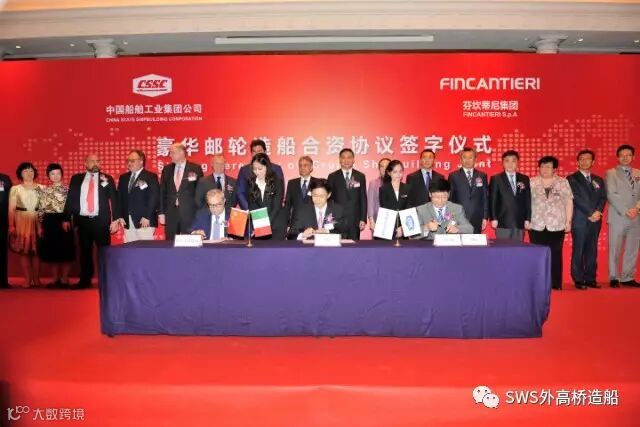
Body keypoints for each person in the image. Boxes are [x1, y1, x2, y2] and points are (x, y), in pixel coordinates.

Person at [63, 154, 120, 289]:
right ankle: (85, 280)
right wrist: (66, 218)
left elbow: (114, 199)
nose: (95, 163)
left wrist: (116, 220)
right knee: (84, 252)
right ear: (86, 164)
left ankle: (106, 281)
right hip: (83, 221)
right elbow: (70, 198)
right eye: (92, 161)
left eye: (97, 161)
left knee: (104, 253)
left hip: (101, 221)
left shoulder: (107, 178)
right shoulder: (76, 179)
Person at [528, 156, 574, 290]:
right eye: (542, 166)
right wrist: (527, 220)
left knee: (556, 254)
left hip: (557, 224)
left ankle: (555, 283)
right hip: (536, 224)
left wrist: (568, 221)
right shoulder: (531, 182)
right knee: (537, 255)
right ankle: (538, 283)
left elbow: (569, 202)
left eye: (548, 167)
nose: (544, 169)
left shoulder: (563, 182)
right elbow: (525, 203)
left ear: (554, 169)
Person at [567, 149, 606, 289]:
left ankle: (590, 278)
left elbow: (603, 197)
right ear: (577, 162)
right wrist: (590, 212)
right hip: (580, 219)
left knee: (592, 249)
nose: (584, 161)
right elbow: (575, 197)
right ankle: (578, 279)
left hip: (596, 219)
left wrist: (598, 212)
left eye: (587, 159)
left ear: (593, 162)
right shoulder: (571, 179)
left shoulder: (598, 179)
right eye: (581, 159)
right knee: (578, 249)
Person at [606, 144, 640, 288]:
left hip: (636, 216)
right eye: (622, 155)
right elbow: (611, 194)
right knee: (615, 248)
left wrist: (637, 208)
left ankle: (627, 277)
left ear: (633, 157)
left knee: (632, 248)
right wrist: (627, 210)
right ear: (618, 157)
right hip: (618, 215)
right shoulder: (611, 173)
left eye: (628, 155)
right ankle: (614, 277)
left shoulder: (638, 173)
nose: (625, 157)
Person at [36, 163, 75, 288]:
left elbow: (72, 208)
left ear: (62, 175)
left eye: (58, 173)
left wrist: (69, 220)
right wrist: (39, 226)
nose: (56, 176)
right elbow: (40, 210)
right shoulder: (44, 191)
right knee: (52, 250)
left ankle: (65, 279)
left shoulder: (68, 190)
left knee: (66, 250)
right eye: (52, 174)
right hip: (49, 222)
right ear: (48, 176)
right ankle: (55, 279)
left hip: (64, 221)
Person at [8, 162, 43, 288]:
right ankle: (27, 279)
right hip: (21, 221)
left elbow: (44, 208)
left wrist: (42, 225)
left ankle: (37, 279)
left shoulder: (42, 188)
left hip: (38, 221)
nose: (29, 173)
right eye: (25, 171)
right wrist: (11, 225)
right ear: (20, 174)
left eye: (31, 171)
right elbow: (11, 209)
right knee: (24, 252)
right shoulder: (15, 189)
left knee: (37, 251)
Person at [159, 143, 203, 240]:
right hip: (171, 212)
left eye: (172, 152)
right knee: (170, 242)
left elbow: (199, 191)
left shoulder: (195, 168)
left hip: (189, 212)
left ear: (181, 152)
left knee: (190, 242)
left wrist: (199, 212)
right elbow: (162, 191)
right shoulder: (167, 169)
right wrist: (161, 212)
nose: (170, 155)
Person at [116, 150, 159, 242]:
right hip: (127, 220)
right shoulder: (123, 177)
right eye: (128, 160)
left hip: (144, 220)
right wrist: (120, 215)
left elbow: (154, 197)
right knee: (130, 248)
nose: (129, 163)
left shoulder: (150, 176)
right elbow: (119, 198)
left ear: (141, 161)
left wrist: (147, 216)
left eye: (132, 160)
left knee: (145, 248)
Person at [489, 150, 531, 241]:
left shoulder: (524, 178)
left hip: (519, 221)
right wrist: (493, 218)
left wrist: (528, 219)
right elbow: (492, 200)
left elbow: (527, 200)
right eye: (507, 161)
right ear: (503, 163)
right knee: (502, 247)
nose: (510, 164)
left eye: (513, 161)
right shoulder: (496, 179)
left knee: (518, 248)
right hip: (502, 221)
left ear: (518, 162)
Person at [326, 148, 367, 240]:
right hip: (337, 220)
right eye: (343, 157)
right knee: (337, 246)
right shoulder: (332, 176)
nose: (346, 160)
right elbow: (329, 199)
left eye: (349, 157)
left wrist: (363, 218)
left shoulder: (360, 176)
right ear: (340, 160)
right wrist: (329, 219)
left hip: (354, 219)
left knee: (353, 246)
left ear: (353, 159)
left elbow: (363, 198)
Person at [448, 147, 489, 233]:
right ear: (460, 160)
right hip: (459, 217)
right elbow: (450, 198)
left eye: (470, 157)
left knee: (475, 241)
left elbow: (485, 197)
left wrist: (485, 217)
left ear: (475, 159)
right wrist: (450, 218)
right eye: (464, 157)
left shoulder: (482, 175)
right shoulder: (453, 176)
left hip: (477, 217)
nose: (467, 160)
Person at [236, 139, 284, 210]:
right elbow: (240, 192)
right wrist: (249, 211)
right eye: (254, 151)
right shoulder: (244, 170)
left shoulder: (276, 168)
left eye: (259, 151)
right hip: (252, 211)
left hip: (272, 211)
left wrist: (270, 212)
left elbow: (279, 193)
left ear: (265, 152)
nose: (257, 154)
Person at [247, 153, 285, 240]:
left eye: (260, 169)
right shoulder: (251, 183)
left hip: (276, 225)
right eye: (254, 169)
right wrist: (258, 226)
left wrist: (264, 226)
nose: (257, 172)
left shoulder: (277, 182)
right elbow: (252, 207)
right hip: (260, 226)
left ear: (267, 167)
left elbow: (276, 207)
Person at [284, 156, 319, 230]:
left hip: (313, 222)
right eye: (300, 166)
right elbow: (287, 205)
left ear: (311, 168)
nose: (302, 168)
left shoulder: (318, 182)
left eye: (305, 165)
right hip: (295, 224)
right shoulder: (292, 183)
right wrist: (286, 223)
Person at [378, 160, 409, 239]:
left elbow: (409, 209)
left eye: (400, 171)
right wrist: (395, 229)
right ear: (389, 173)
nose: (398, 174)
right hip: (387, 228)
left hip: (404, 228)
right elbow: (385, 210)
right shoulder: (383, 189)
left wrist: (403, 227)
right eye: (395, 172)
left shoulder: (407, 188)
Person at [366, 158, 391, 230]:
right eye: (382, 166)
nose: (384, 169)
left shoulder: (396, 183)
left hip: (394, 220)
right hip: (378, 220)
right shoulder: (373, 183)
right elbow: (370, 203)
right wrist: (371, 221)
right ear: (379, 169)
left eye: (387, 166)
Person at [0, 172, 12, 288]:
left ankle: (2, 281)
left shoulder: (4, 178)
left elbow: (11, 198)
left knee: (2, 251)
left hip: (2, 219)